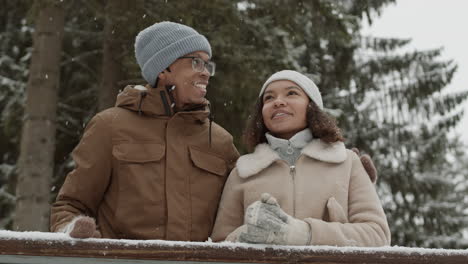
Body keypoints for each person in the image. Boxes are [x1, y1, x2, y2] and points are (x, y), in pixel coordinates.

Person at [49, 21, 240, 241]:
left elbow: (238, 211)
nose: (206, 73)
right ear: (163, 68)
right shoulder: (110, 126)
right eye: (196, 62)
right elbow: (71, 204)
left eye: (208, 65)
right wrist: (71, 230)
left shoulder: (220, 140)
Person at [211, 70, 391, 246]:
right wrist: (243, 236)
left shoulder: (347, 162)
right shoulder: (242, 172)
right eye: (269, 98)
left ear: (312, 106)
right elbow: (219, 246)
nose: (278, 102)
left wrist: (304, 233)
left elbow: (377, 234)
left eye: (291, 93)